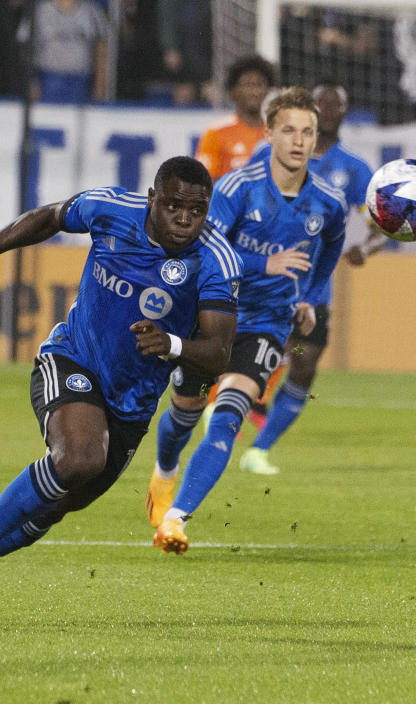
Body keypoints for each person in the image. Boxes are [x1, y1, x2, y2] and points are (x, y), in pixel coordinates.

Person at [0, 156, 242, 621]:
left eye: (196, 210)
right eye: (174, 205)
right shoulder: (109, 208)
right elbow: (46, 218)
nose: (184, 218)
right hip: (72, 357)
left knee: (58, 504)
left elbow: (219, 352)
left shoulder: (217, 260)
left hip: (132, 405)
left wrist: (172, 343)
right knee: (78, 459)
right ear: (153, 198)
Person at [145, 87, 347, 554]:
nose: (299, 141)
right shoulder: (238, 189)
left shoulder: (328, 201)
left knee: (229, 414)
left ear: (317, 141)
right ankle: (166, 471)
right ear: (270, 133)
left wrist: (310, 296)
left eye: (308, 132)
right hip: (214, 315)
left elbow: (333, 244)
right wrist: (266, 266)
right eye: (290, 130)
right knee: (182, 414)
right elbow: (200, 248)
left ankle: (175, 520)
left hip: (268, 324)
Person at [238, 82, 386, 475]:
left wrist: (364, 249)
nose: (331, 109)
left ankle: (259, 450)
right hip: (263, 280)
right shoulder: (266, 156)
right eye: (323, 103)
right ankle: (218, 411)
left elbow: (380, 226)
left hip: (314, 289)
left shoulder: (353, 169)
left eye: (338, 103)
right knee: (256, 357)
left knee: (303, 362)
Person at [194, 54, 277, 182]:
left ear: (267, 90)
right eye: (247, 85)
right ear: (233, 91)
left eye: (259, 84)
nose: (254, 91)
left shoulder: (276, 134)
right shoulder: (216, 132)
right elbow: (204, 184)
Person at [31, 0, 109, 104]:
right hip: (48, 78)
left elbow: (101, 49)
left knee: (77, 119)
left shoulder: (91, 10)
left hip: (81, 81)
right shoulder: (41, 10)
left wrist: (100, 86)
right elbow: (27, 49)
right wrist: (32, 82)